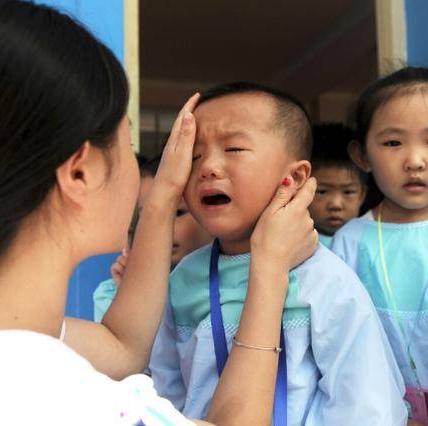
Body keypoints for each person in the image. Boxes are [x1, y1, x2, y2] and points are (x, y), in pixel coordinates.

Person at [0, 2, 318, 425]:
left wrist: (160, 202)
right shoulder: (68, 401)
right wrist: (269, 267)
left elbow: (122, 347)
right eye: (129, 144)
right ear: (81, 173)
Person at [148, 81, 407, 425]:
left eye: (234, 149)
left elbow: (366, 400)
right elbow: (166, 384)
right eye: (194, 155)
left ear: (295, 176)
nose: (208, 166)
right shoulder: (184, 278)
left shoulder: (324, 277)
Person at [331, 66, 428, 426]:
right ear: (362, 155)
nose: (414, 160)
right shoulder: (348, 244)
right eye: (393, 142)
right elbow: (335, 348)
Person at [94, 156, 212, 322]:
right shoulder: (112, 295)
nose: (162, 226)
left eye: (178, 213)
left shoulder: (232, 287)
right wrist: (133, 294)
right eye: (148, 215)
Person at [307, 123, 367, 247]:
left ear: (362, 195)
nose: (336, 205)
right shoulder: (295, 244)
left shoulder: (369, 241)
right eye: (322, 191)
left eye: (348, 192)